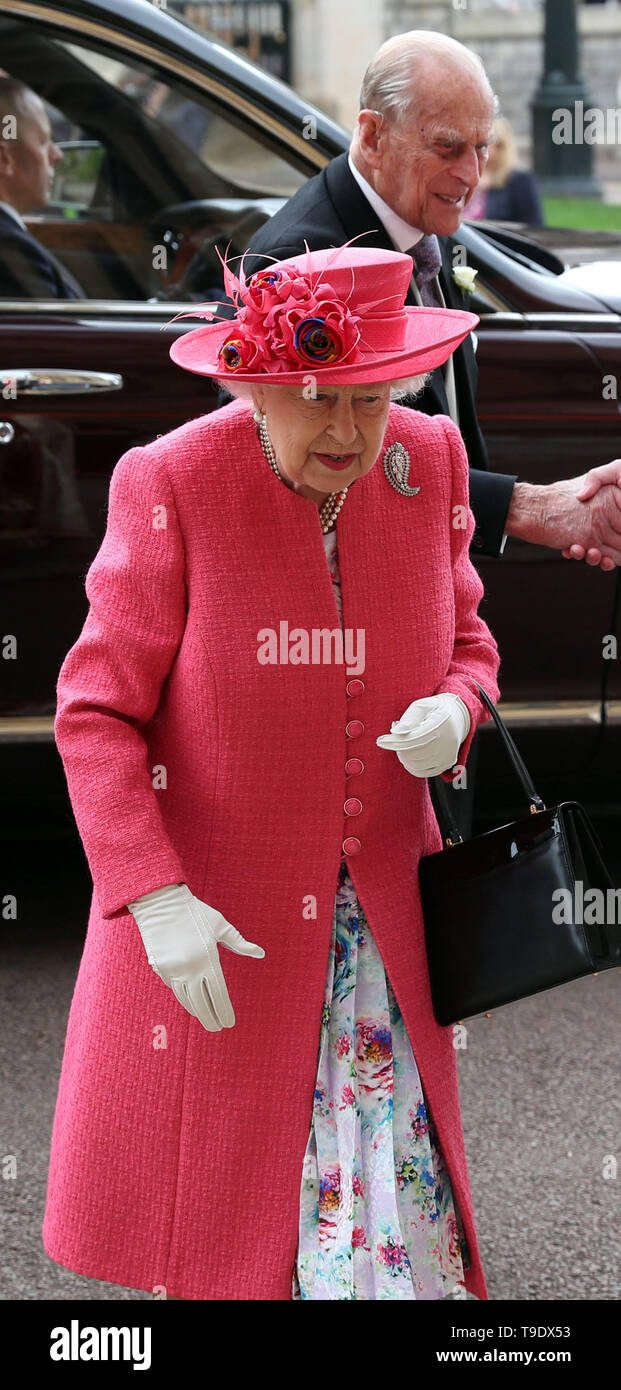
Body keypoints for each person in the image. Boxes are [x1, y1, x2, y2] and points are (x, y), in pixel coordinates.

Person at [42, 244, 500, 1301]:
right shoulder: (172, 482)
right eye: (314, 402)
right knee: (239, 1234)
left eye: (372, 399)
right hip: (227, 930)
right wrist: (155, 896)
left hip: (383, 946)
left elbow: (471, 642)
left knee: (388, 1252)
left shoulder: (427, 460)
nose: (347, 431)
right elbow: (97, 712)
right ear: (252, 383)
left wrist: (457, 707)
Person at [246, 30, 621, 572]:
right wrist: (528, 508)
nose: (471, 175)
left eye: (482, 147)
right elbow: (319, 462)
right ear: (373, 137)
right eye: (447, 147)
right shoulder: (300, 264)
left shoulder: (418, 215)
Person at [0, 77, 84, 298]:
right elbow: (65, 332)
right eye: (44, 141)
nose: (57, 155)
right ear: (3, 159)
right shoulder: (10, 248)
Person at [466, 117, 544, 225]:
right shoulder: (463, 175)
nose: (477, 146)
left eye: (485, 142)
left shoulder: (518, 181)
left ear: (501, 146)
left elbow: (534, 225)